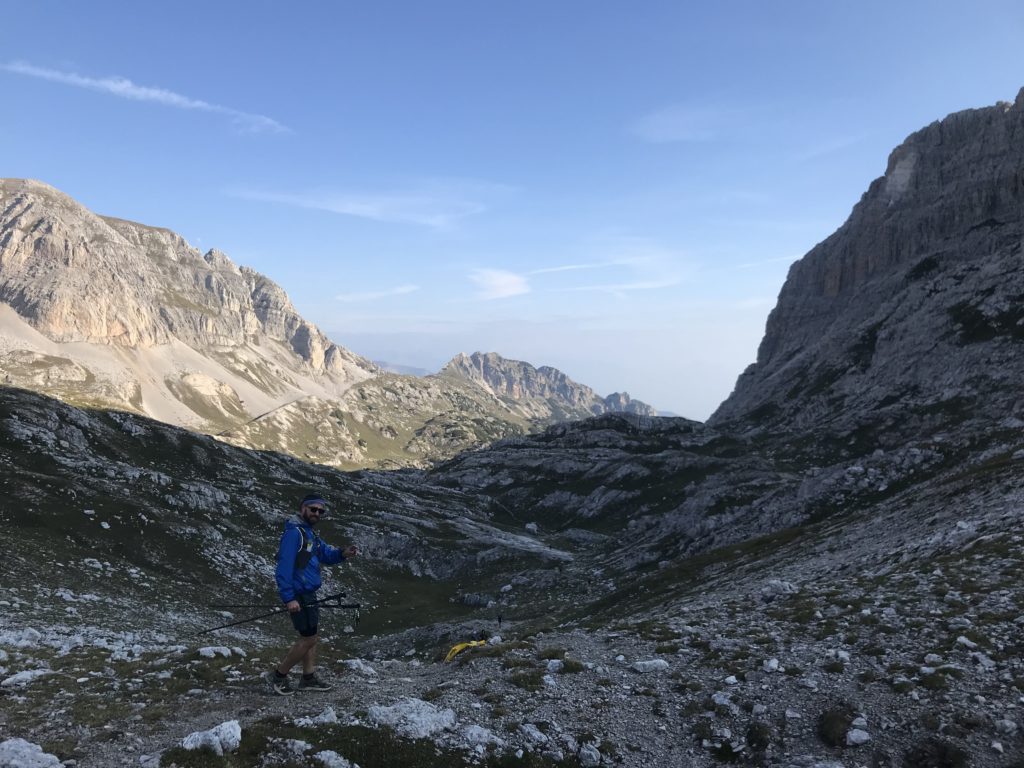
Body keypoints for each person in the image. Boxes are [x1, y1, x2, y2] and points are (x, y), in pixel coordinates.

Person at [264, 493, 358, 695]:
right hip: (299, 594)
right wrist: (289, 598)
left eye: (320, 511)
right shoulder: (294, 534)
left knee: (311, 636)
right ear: (303, 508)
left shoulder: (310, 534)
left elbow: (326, 554)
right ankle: (278, 677)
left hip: (309, 594)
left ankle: (308, 678)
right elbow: (283, 567)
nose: (317, 513)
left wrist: (342, 553)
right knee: (309, 639)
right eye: (313, 509)